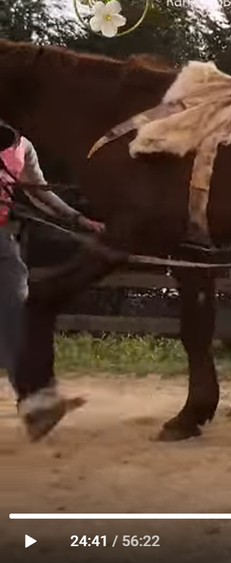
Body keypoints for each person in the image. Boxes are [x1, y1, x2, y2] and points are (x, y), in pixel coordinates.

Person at [0, 123, 104, 438]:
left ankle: (36, 403)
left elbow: (39, 192)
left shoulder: (22, 147)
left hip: (1, 239)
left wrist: (77, 219)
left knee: (16, 314)